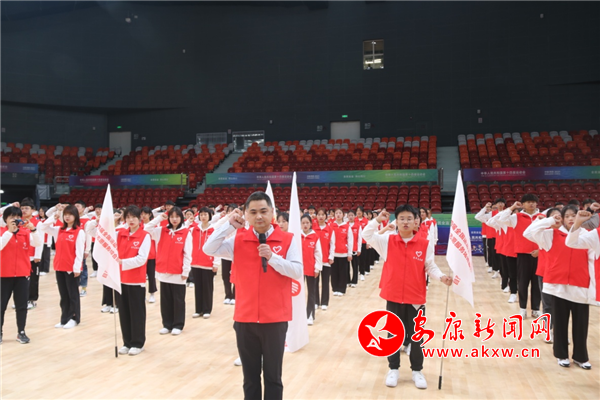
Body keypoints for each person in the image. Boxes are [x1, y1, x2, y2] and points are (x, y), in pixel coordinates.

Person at [203, 192, 303, 400]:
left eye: (263, 211)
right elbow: (208, 248)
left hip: (275, 319)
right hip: (245, 319)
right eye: (253, 212)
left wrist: (273, 257)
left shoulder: (287, 239)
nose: (259, 216)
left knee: (273, 377)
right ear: (246, 215)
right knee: (250, 378)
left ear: (272, 212)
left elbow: (296, 271)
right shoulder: (238, 240)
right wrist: (228, 225)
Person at [363, 205, 452, 389]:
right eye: (401, 218)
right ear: (396, 221)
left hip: (415, 298)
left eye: (409, 218)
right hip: (393, 296)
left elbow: (430, 266)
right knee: (393, 335)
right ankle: (393, 369)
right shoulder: (387, 241)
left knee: (417, 337)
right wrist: (378, 220)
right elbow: (367, 234)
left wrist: (442, 277)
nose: (405, 222)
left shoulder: (424, 243)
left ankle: (417, 371)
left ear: (416, 221)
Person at [525, 206, 596, 369]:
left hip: (580, 286)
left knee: (581, 325)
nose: (571, 219)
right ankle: (561, 355)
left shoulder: (586, 235)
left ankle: (581, 357)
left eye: (574, 215)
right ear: (562, 218)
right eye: (567, 216)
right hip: (558, 287)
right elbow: (528, 233)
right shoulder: (551, 234)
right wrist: (550, 220)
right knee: (560, 323)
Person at [144, 206, 192, 335]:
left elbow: (187, 254)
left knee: (178, 301)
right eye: (172, 217)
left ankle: (178, 325)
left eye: (177, 217)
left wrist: (185, 271)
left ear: (181, 218)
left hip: (178, 273)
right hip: (163, 272)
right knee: (165, 301)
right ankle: (167, 324)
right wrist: (159, 218)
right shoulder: (161, 231)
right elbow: (146, 229)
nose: (174, 219)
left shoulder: (186, 232)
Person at [497, 194, 545, 318]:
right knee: (523, 282)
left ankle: (535, 309)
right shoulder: (516, 217)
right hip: (523, 255)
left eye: (533, 201)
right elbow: (501, 219)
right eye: (528, 202)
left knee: (537, 283)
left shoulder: (543, 217)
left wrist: (540, 250)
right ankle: (523, 308)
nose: (531, 204)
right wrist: (512, 207)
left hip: (540, 255)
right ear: (523, 204)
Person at [38, 204, 85, 329]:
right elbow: (43, 227)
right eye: (65, 215)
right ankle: (64, 319)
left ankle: (74, 318)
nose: (67, 217)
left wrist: (77, 267)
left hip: (71, 268)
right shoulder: (58, 230)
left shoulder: (79, 232)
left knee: (72, 295)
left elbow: (79, 251)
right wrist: (53, 217)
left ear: (75, 216)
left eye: (70, 214)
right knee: (63, 295)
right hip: (59, 266)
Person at [1, 206, 41, 344]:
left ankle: (21, 332)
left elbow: (38, 243)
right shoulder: (2, 232)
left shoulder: (25, 232)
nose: (15, 219)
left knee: (21, 305)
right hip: (3, 275)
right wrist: (9, 232)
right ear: (5, 219)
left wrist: (33, 230)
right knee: (1, 305)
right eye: (11, 217)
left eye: (17, 217)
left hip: (22, 274)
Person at [115, 205, 151, 356]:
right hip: (120, 280)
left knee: (136, 313)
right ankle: (127, 342)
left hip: (136, 281)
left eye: (134, 217)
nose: (131, 220)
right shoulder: (120, 234)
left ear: (140, 218)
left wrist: (122, 262)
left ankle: (138, 343)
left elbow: (141, 259)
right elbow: (98, 234)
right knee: (124, 313)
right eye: (128, 217)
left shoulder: (145, 236)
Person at [189, 207, 218, 319]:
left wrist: (216, 263)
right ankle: (198, 309)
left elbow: (217, 246)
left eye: (205, 214)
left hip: (208, 264)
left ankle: (207, 309)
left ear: (210, 216)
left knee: (207, 288)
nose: (203, 216)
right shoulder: (194, 229)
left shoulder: (214, 230)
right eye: (201, 215)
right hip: (195, 263)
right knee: (198, 287)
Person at [301, 214, 322, 325]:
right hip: (299, 269)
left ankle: (310, 315)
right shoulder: (297, 236)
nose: (305, 225)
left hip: (311, 269)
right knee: (299, 293)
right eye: (303, 223)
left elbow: (318, 253)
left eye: (307, 223)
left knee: (311, 292)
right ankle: (299, 315)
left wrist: (317, 268)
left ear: (310, 224)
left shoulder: (315, 237)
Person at [313, 208, 335, 310]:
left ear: (326, 216)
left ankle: (324, 302)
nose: (321, 216)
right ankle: (315, 302)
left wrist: (331, 257)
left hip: (326, 260)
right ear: (316, 216)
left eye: (322, 214)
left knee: (325, 282)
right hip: (315, 261)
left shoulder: (330, 229)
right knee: (315, 282)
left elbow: (332, 244)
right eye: (319, 214)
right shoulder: (313, 228)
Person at [330, 208, 353, 296]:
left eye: (340, 213)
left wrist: (349, 253)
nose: (338, 214)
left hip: (343, 253)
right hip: (333, 254)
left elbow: (350, 241)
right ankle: (335, 288)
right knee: (334, 272)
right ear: (334, 215)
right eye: (336, 213)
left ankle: (342, 289)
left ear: (343, 215)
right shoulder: (331, 226)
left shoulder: (347, 226)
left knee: (343, 272)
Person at [141, 207, 158, 303]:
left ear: (150, 215)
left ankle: (152, 293)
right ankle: (142, 294)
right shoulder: (138, 225)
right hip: (140, 254)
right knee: (141, 276)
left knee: (151, 275)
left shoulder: (154, 226)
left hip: (151, 254)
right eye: (142, 214)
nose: (143, 216)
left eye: (145, 214)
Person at [347, 209, 362, 288]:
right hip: (346, 249)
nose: (350, 217)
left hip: (355, 249)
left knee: (355, 266)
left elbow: (359, 238)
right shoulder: (345, 225)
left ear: (355, 216)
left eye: (352, 215)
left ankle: (354, 281)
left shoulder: (358, 226)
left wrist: (359, 249)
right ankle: (347, 281)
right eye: (349, 215)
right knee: (346, 267)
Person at [37, 206, 52, 276]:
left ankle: (45, 269)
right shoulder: (38, 220)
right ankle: (40, 269)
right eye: (40, 211)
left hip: (46, 241)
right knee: (41, 255)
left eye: (42, 211)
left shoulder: (48, 220)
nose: (40, 213)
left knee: (46, 256)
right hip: (40, 240)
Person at [89, 204, 102, 278]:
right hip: (94, 240)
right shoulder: (93, 218)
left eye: (99, 209)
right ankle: (95, 270)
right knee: (94, 255)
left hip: (102, 242)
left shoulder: (106, 218)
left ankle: (101, 270)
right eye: (96, 209)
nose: (97, 210)